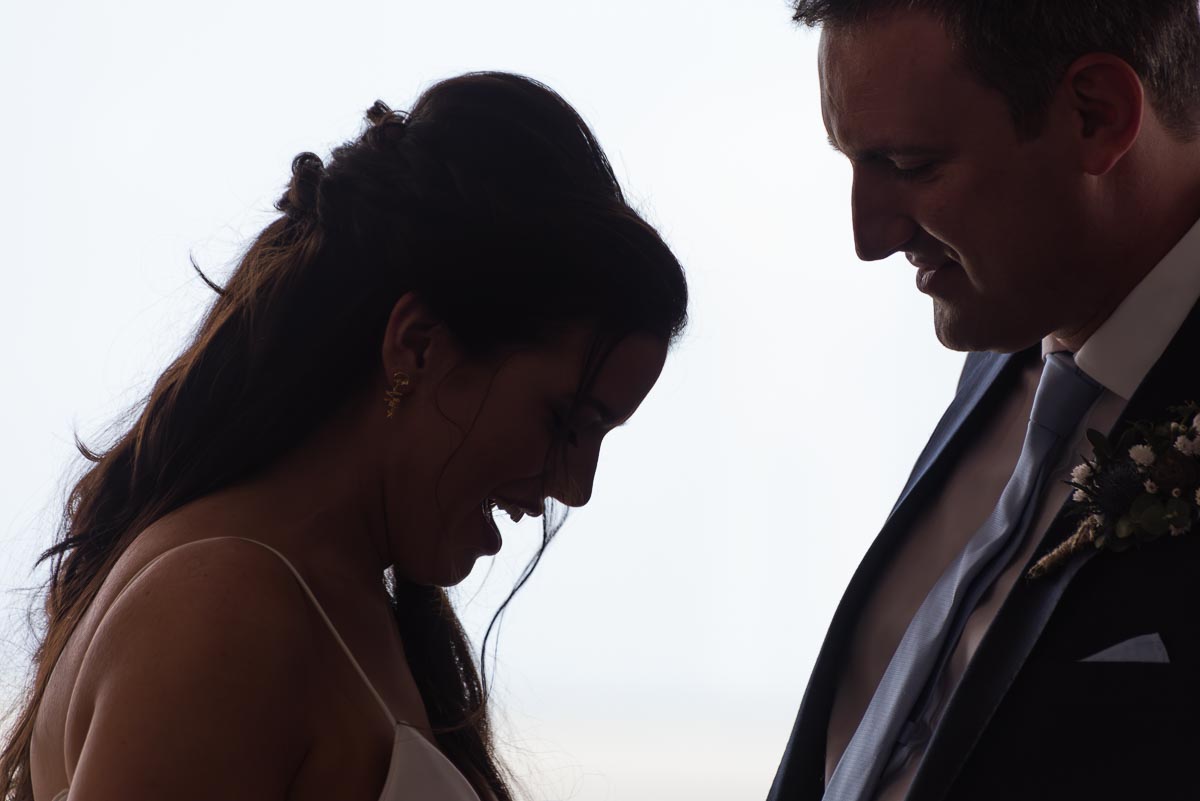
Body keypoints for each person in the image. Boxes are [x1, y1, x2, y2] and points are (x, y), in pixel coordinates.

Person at [0, 72, 688, 801]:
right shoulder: (224, 612)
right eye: (564, 423)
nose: (573, 487)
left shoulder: (323, 595)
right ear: (418, 345)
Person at [769, 3, 1200, 800]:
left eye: (910, 164)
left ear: (1097, 116)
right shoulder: (1006, 336)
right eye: (852, 161)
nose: (868, 235)